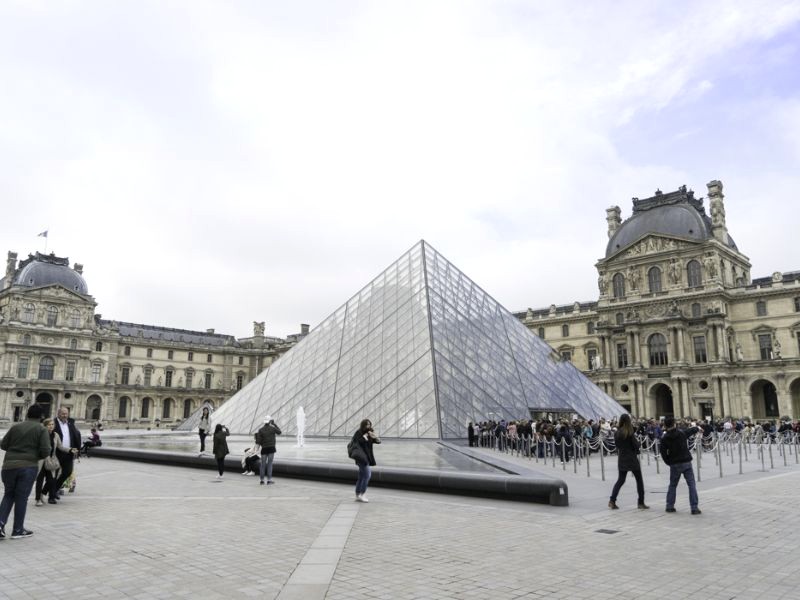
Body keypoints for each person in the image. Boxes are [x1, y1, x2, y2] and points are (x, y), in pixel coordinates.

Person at [0, 403, 51, 539]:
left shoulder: (15, 427)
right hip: (27, 467)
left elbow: (3, 444)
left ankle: (0, 525)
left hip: (8, 466)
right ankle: (18, 529)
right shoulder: (41, 429)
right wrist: (34, 456)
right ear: (42, 416)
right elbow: (46, 450)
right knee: (21, 498)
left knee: (8, 494)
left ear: (27, 413)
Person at [660, 416, 701, 515]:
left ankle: (670, 506)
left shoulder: (665, 438)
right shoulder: (681, 433)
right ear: (674, 424)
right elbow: (690, 431)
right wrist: (697, 428)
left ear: (665, 425)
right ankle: (694, 508)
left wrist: (668, 462)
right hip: (686, 462)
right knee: (691, 485)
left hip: (674, 463)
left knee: (673, 485)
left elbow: (663, 453)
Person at [608, 413, 648, 510]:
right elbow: (636, 445)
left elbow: (617, 445)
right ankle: (641, 502)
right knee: (639, 480)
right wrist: (638, 443)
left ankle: (612, 500)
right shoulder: (629, 432)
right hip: (631, 458)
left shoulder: (617, 433)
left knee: (620, 480)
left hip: (622, 458)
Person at [35, 418, 67, 506]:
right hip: (41, 460)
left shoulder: (56, 435)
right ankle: (38, 499)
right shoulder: (40, 434)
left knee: (51, 480)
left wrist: (70, 450)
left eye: (52, 424)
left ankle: (42, 493)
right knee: (40, 480)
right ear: (45, 426)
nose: (51, 426)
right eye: (49, 425)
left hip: (51, 461)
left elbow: (60, 447)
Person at [351, 419, 380, 503]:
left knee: (361, 477)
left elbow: (378, 442)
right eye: (367, 425)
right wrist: (365, 437)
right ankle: (362, 494)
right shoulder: (358, 433)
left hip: (367, 457)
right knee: (367, 475)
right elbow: (359, 442)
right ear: (363, 425)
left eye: (369, 425)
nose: (368, 426)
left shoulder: (370, 433)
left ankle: (358, 495)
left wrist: (375, 437)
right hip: (361, 458)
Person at [53, 406, 81, 497]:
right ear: (58, 414)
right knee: (55, 473)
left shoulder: (70, 423)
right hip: (57, 452)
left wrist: (77, 450)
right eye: (63, 414)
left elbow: (75, 436)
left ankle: (55, 488)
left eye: (66, 414)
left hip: (69, 452)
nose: (65, 415)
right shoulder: (53, 423)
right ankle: (53, 493)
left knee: (68, 472)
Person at [255, 416, 281, 485]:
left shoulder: (260, 430)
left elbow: (258, 441)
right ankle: (269, 480)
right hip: (271, 448)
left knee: (262, 465)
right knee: (270, 464)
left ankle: (262, 480)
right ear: (270, 421)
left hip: (264, 449)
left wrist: (256, 449)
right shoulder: (273, 428)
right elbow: (279, 432)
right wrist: (274, 424)